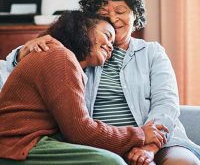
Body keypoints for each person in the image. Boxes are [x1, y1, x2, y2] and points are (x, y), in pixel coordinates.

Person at [1, 0, 200, 165]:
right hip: (98, 143)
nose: (113, 19)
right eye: (104, 14)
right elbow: (19, 67)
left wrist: (148, 147)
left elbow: (166, 105)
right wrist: (27, 49)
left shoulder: (152, 53)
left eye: (121, 11)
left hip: (156, 142)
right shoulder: (79, 51)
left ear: (135, 14)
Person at [0, 10, 168, 165]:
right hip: (17, 146)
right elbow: (80, 130)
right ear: (82, 30)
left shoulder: (66, 60)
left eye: (112, 43)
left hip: (33, 142)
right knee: (110, 162)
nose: (110, 46)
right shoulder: (60, 57)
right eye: (107, 35)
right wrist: (140, 134)